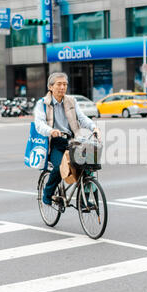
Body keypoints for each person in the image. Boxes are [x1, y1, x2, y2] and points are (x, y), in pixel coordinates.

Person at [34, 72, 101, 206]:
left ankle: (84, 200)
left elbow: (82, 118)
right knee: (59, 167)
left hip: (72, 141)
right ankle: (48, 193)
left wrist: (94, 128)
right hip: (55, 143)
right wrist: (51, 131)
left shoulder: (71, 101)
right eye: (59, 84)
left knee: (89, 166)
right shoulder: (42, 104)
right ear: (50, 87)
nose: (62, 87)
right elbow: (39, 124)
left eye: (65, 84)